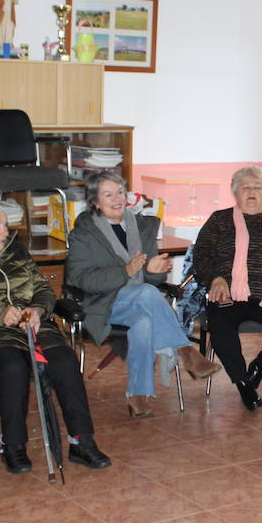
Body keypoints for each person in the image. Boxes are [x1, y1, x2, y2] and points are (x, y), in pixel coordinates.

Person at [0, 199, 110, 474]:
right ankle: (13, 446)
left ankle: (82, 441)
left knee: (65, 362)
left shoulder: (16, 252)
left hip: (33, 326)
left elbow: (42, 286)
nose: (6, 231)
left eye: (5, 224)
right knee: (13, 366)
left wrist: (38, 309)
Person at [65, 171, 220, 417]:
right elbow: (81, 279)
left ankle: (137, 394)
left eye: (119, 192)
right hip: (100, 303)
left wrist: (153, 270)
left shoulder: (142, 227)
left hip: (139, 303)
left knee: (145, 322)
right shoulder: (83, 234)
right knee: (147, 293)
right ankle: (185, 350)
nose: (117, 199)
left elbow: (150, 279)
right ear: (95, 202)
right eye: (108, 194)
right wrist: (125, 271)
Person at [191, 166, 262, 411]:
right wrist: (215, 279)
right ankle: (244, 383)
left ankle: (260, 365)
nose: (252, 191)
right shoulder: (219, 220)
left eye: (258, 187)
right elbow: (201, 255)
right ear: (235, 192)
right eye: (246, 187)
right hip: (229, 294)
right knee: (221, 330)